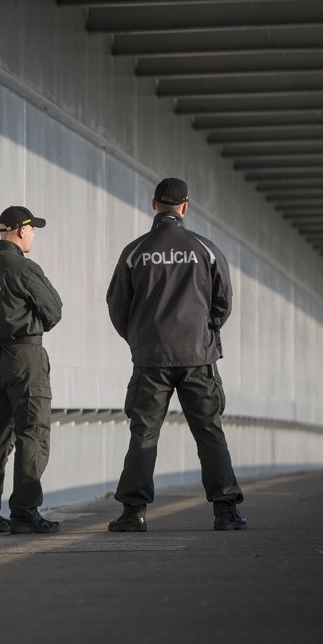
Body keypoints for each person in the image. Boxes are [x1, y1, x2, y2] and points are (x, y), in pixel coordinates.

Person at [105, 178, 246, 532]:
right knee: (209, 431)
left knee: (144, 433)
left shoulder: (135, 252)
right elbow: (223, 301)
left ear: (154, 205)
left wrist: (137, 339)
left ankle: (133, 513)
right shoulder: (205, 249)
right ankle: (225, 511)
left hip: (150, 359)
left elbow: (117, 305)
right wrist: (207, 332)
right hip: (198, 358)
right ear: (185, 206)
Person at [0, 206, 64, 535]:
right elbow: (53, 312)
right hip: (25, 358)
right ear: (21, 230)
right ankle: (24, 512)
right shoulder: (23, 267)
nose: (34, 234)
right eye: (32, 228)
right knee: (33, 433)